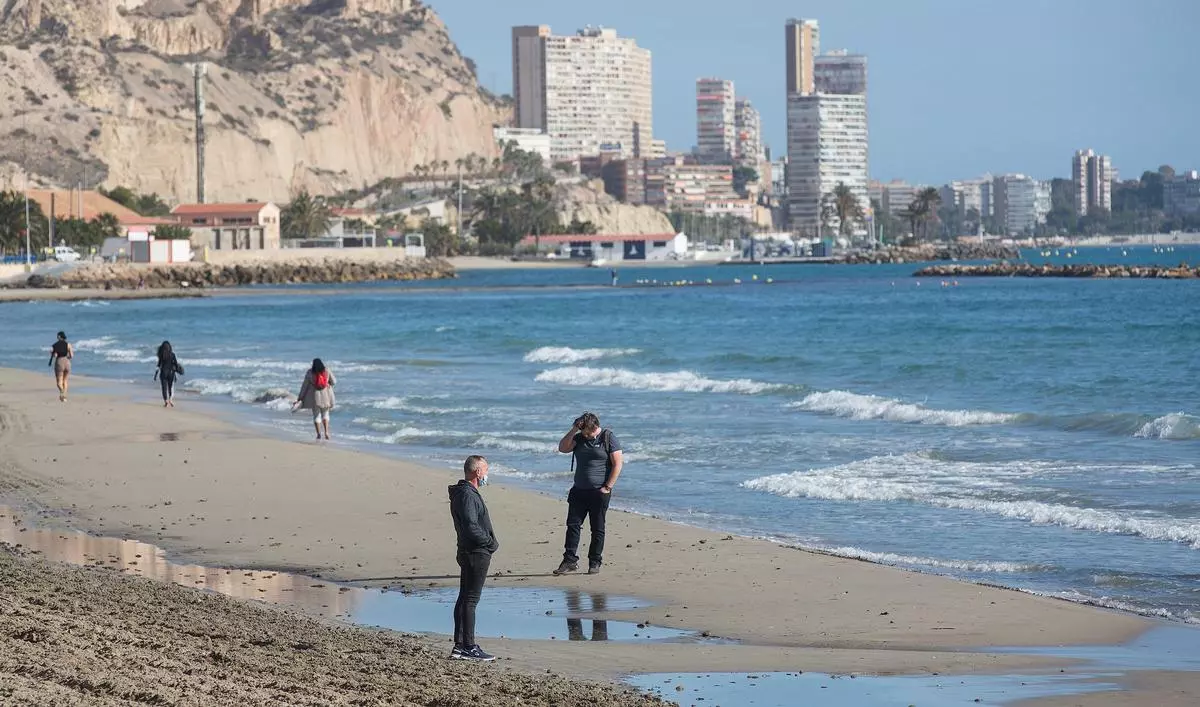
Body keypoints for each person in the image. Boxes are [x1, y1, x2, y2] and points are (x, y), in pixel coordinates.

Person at [554, 412, 623, 575]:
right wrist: (573, 430)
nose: (585, 435)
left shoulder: (608, 437)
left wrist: (607, 487)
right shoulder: (578, 438)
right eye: (582, 432)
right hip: (579, 490)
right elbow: (562, 448)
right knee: (573, 526)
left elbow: (618, 464)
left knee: (597, 528)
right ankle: (569, 560)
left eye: (587, 432)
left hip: (599, 492)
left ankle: (595, 562)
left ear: (595, 427)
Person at [448, 455, 499, 662]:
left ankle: (461, 645)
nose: (487, 474)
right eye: (486, 469)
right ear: (478, 472)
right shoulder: (467, 494)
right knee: (470, 599)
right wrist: (489, 543)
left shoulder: (466, 493)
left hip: (472, 550)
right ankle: (467, 646)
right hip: (475, 552)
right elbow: (471, 526)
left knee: (465, 597)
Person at [291, 358, 336, 440]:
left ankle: (318, 434)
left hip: (315, 397)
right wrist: (328, 383)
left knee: (316, 416)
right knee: (325, 414)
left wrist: (300, 398)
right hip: (326, 396)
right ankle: (326, 432)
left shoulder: (310, 372)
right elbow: (334, 382)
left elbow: (304, 386)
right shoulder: (327, 370)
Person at [153, 341, 184, 407]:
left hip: (163, 373)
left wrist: (155, 375)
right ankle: (170, 399)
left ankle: (166, 401)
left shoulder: (161, 355)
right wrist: (176, 374)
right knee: (171, 387)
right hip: (171, 373)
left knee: (164, 388)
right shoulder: (172, 354)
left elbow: (158, 365)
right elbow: (175, 365)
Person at [48, 331, 73, 402]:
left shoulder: (55, 345)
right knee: (65, 380)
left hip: (59, 362)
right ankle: (64, 397)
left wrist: (52, 353)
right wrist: (67, 357)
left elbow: (55, 355)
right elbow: (71, 356)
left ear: (59, 336)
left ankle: (62, 391)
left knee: (59, 382)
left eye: (57, 336)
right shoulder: (68, 344)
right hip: (67, 362)